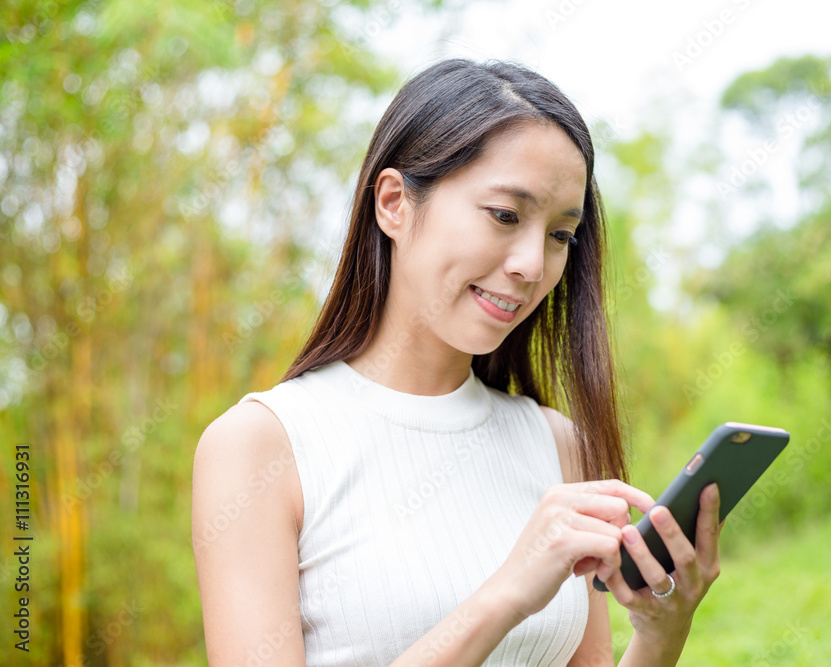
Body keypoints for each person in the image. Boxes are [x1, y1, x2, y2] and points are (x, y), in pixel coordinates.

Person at [192, 58, 722, 666]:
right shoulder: (260, 446)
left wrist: (660, 633)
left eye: (560, 235)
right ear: (393, 203)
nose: (531, 265)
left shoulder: (555, 443)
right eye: (505, 215)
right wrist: (504, 595)